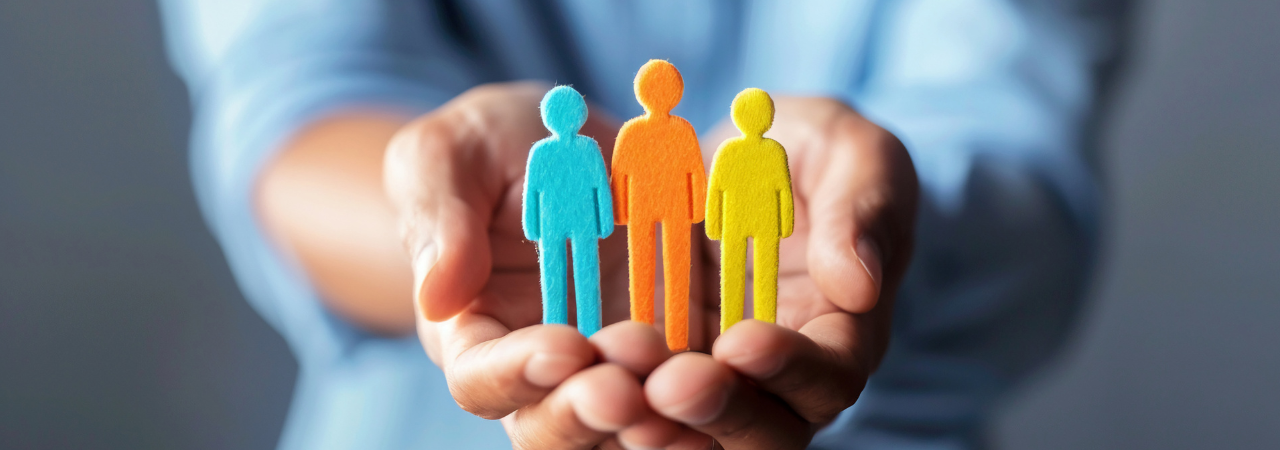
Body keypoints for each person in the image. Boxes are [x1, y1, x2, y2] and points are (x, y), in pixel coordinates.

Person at [159, 1, 1126, 449]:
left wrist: (875, 223)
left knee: (726, 283)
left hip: (772, 283)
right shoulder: (574, 153)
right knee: (588, 282)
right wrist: (459, 239)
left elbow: (1014, 144)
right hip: (471, 359)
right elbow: (292, 100)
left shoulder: (711, 154)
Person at [611, 59, 706, 351]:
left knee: (645, 270)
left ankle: (654, 336)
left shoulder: (633, 132)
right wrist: (698, 212)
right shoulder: (681, 130)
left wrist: (621, 213)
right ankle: (669, 338)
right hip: (672, 207)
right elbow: (696, 175)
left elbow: (620, 177)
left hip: (647, 207)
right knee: (672, 272)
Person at [522, 85, 613, 336]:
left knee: (568, 275)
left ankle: (581, 329)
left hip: (558, 222)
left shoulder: (548, 151)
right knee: (571, 275)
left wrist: (532, 225)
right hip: (576, 221)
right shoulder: (576, 150)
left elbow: (600, 186)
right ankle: (566, 328)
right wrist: (604, 221)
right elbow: (533, 192)